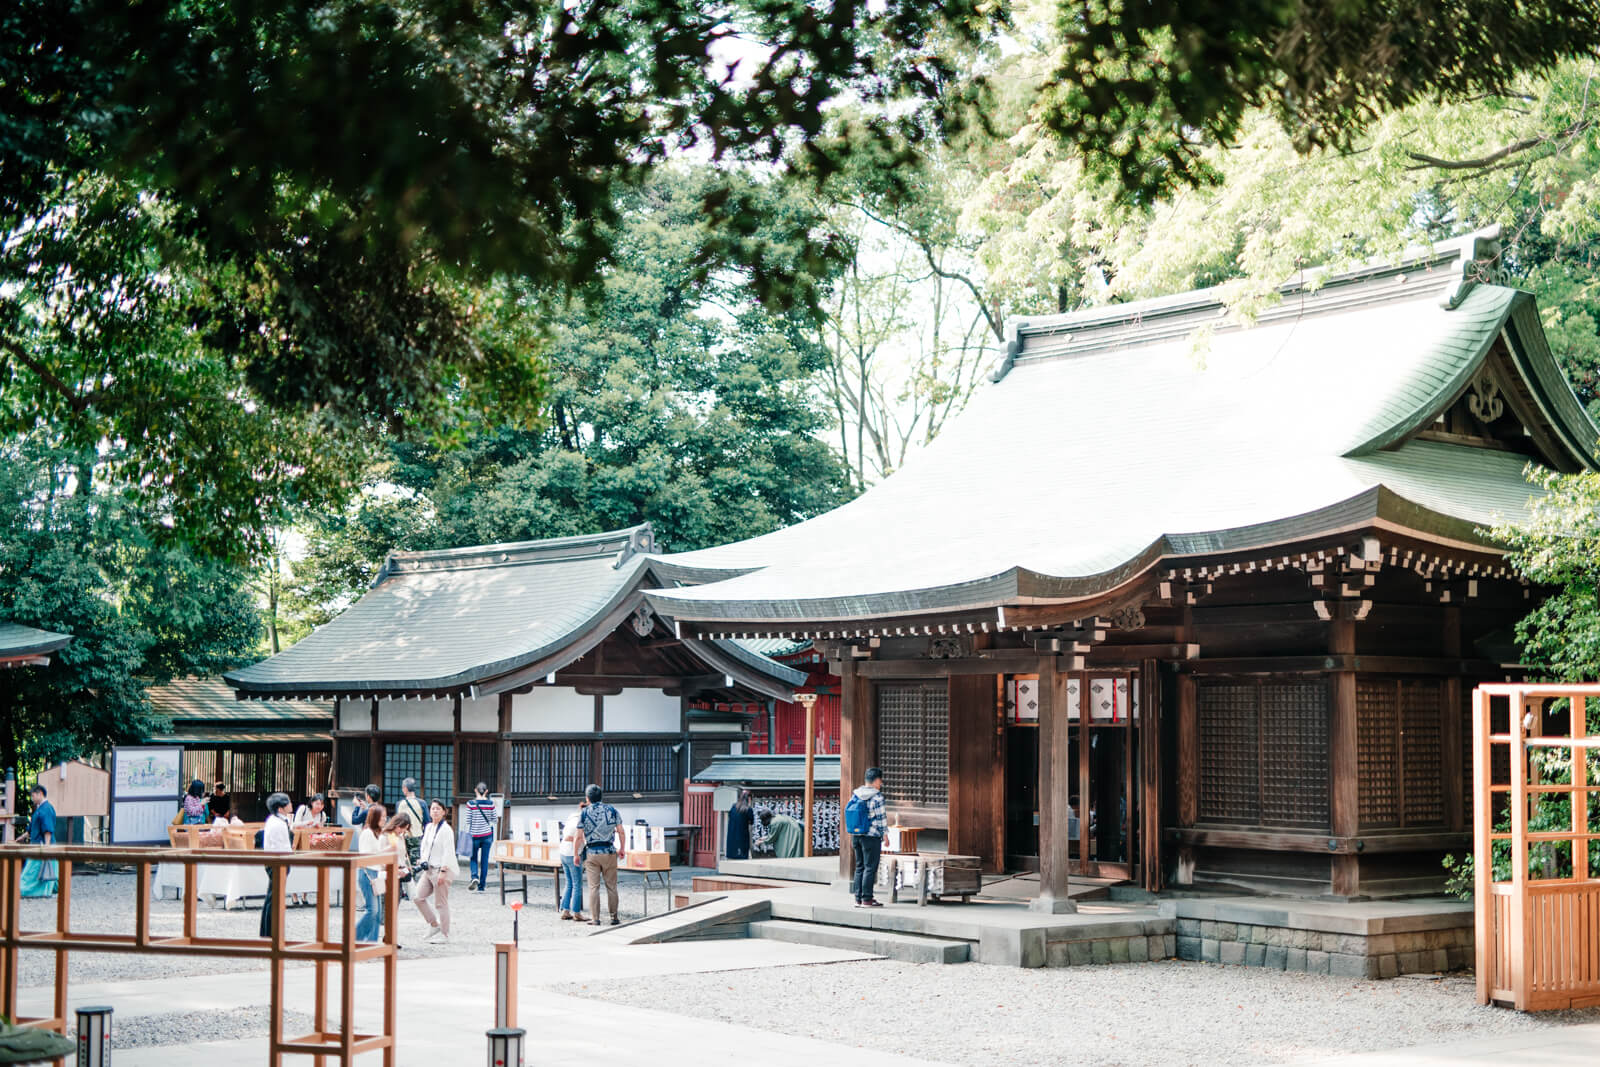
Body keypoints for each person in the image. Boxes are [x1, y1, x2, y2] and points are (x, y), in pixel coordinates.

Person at [574, 784, 625, 926]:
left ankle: (595, 918)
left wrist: (576, 854)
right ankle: (614, 917)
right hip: (609, 851)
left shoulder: (584, 812)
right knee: (612, 886)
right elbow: (621, 831)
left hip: (592, 853)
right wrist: (622, 848)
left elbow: (578, 836)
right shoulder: (612, 810)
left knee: (593, 887)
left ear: (587, 798)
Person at [412, 799, 457, 943]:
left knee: (441, 903)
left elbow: (448, 852)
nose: (435, 811)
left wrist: (443, 871)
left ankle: (445, 934)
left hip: (441, 869)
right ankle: (433, 924)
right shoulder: (429, 826)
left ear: (444, 812)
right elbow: (424, 847)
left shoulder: (446, 830)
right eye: (432, 809)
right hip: (429, 869)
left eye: (438, 809)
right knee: (417, 896)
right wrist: (422, 860)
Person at [847, 767, 887, 908]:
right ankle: (867, 899)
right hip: (871, 836)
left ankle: (858, 898)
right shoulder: (877, 797)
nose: (881, 783)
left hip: (856, 835)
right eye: (880, 780)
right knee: (870, 867)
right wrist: (885, 835)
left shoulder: (855, 794)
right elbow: (881, 819)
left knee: (860, 866)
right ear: (876, 780)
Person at [258, 792, 294, 937]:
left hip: (273, 860)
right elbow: (283, 846)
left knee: (272, 896)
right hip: (278, 861)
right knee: (274, 897)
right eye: (288, 803)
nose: (291, 805)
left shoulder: (275, 820)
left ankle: (268, 930)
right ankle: (271, 931)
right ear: (280, 808)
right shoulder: (278, 824)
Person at [355, 804, 389, 942]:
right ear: (375, 818)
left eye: (385, 817)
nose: (384, 820)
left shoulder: (380, 833)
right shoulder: (367, 833)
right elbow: (365, 855)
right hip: (368, 873)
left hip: (377, 873)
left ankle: (371, 941)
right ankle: (355, 936)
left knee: (377, 911)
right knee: (372, 910)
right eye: (382, 817)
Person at [288, 792, 327, 906]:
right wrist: (307, 823)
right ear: (312, 803)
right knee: (295, 868)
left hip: (311, 843)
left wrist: (317, 828)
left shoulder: (322, 815)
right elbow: (294, 825)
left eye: (321, 804)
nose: (319, 806)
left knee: (309, 869)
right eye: (317, 803)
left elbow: (321, 830)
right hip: (297, 841)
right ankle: (294, 896)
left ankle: (305, 896)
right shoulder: (303, 809)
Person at [20, 783, 57, 898]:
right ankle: (44, 891)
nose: (32, 798)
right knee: (42, 871)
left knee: (31, 872)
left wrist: (46, 846)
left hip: (42, 845)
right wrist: (23, 836)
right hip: (38, 844)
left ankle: (25, 890)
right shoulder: (40, 808)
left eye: (33, 796)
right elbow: (32, 827)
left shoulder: (46, 809)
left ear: (40, 794)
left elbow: (47, 830)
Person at [557, 797, 589, 921]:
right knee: (577, 884)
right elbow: (577, 838)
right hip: (572, 853)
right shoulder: (581, 821)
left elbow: (566, 835)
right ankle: (576, 912)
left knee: (569, 882)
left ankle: (565, 910)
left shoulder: (572, 816)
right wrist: (577, 854)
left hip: (563, 852)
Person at [465, 781, 497, 892]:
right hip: (487, 835)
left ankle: (474, 877)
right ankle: (481, 886)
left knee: (473, 858)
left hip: (474, 835)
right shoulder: (491, 804)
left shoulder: (471, 804)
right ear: (486, 791)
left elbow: (468, 821)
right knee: (484, 860)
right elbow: (495, 820)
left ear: (475, 790)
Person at [724, 789, 754, 860]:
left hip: (732, 833)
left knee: (733, 853)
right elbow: (751, 821)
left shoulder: (733, 807)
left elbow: (730, 816)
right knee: (742, 853)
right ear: (749, 798)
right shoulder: (748, 809)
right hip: (742, 834)